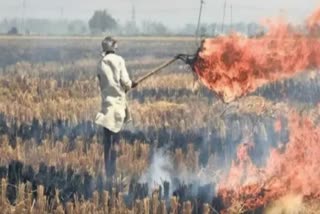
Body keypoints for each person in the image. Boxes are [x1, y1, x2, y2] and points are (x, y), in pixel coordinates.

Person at [95, 36, 138, 179]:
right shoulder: (119, 60)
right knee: (116, 142)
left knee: (107, 142)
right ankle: (113, 173)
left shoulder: (100, 64)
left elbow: (103, 84)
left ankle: (108, 172)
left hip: (106, 106)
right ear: (113, 47)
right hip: (118, 107)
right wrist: (131, 84)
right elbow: (125, 82)